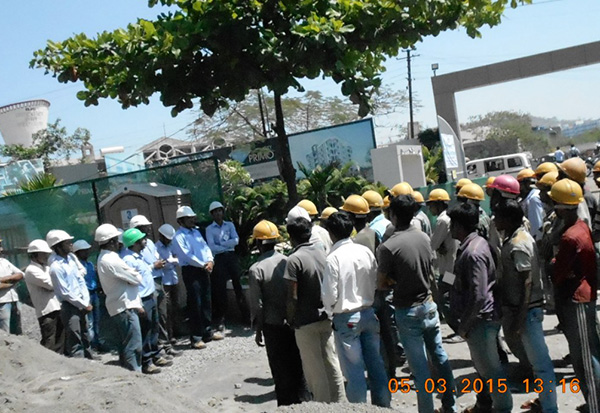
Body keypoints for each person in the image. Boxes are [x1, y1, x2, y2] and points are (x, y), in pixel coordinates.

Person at [378, 195, 457, 413]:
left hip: (407, 311)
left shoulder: (388, 247)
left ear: (393, 215)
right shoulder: (424, 237)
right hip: (429, 305)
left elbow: (381, 284)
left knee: (420, 369)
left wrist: (395, 280)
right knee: (439, 356)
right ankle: (450, 406)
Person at [447, 203, 513, 413]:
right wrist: (444, 282)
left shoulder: (473, 253)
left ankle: (503, 409)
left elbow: (479, 295)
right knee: (485, 369)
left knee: (491, 372)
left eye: (451, 224)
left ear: (458, 226)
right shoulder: (472, 246)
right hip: (479, 320)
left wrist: (465, 326)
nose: (449, 228)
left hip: (480, 321)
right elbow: (459, 278)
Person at [494, 200, 558, 413]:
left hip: (528, 311)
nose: (495, 221)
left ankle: (550, 408)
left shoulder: (518, 243)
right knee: (535, 362)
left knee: (540, 364)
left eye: (498, 217)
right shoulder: (515, 237)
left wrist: (520, 318)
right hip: (523, 310)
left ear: (508, 219)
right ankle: (545, 402)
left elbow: (527, 281)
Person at [322, 212, 390, 407]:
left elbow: (329, 295)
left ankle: (359, 409)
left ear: (331, 233)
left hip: (346, 318)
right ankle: (384, 407)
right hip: (369, 313)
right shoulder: (365, 251)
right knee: (376, 366)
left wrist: (331, 311)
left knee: (354, 372)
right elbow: (375, 280)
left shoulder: (333, 258)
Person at [549, 178, 600, 412]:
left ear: (561, 208)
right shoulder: (581, 227)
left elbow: (557, 272)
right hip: (583, 297)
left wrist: (553, 263)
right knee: (589, 354)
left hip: (576, 299)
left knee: (585, 360)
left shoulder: (570, 237)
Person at [248, 220, 309, 406]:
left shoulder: (256, 270)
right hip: (292, 322)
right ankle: (304, 404)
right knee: (297, 365)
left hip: (272, 326)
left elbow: (258, 305)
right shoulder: (287, 261)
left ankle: (286, 407)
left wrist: (258, 330)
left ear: (258, 243)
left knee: (280, 371)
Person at [284, 217, 346, 403]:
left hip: (305, 322)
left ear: (291, 237)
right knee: (331, 362)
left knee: (314, 369)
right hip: (325, 317)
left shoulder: (294, 260)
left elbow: (292, 296)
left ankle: (322, 406)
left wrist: (290, 318)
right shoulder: (323, 253)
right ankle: (341, 403)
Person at [171, 206, 224, 349]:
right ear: (181, 221)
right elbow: (186, 255)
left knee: (206, 300)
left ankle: (207, 332)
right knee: (196, 303)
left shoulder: (196, 232)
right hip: (191, 271)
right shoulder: (179, 237)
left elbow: (205, 248)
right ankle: (196, 337)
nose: (192, 220)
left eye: (192, 217)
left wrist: (210, 261)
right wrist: (203, 264)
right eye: (188, 218)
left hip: (204, 268)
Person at [122, 228, 173, 374]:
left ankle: (156, 355)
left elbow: (145, 272)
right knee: (146, 331)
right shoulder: (128, 260)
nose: (144, 241)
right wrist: (138, 304)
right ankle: (146, 362)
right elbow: (131, 283)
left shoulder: (139, 257)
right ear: (135, 243)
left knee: (154, 327)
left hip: (151, 296)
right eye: (141, 240)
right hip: (142, 299)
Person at [95, 223, 144, 372]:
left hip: (120, 306)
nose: (119, 243)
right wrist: (132, 276)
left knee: (125, 345)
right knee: (133, 346)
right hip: (125, 307)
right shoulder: (111, 259)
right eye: (116, 240)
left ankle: (128, 375)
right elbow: (137, 278)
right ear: (111, 241)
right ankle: (135, 376)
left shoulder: (104, 258)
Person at [129, 215, 180, 357]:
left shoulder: (150, 243)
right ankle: (155, 349)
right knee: (151, 319)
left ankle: (165, 345)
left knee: (162, 315)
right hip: (147, 285)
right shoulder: (132, 249)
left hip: (158, 280)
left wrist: (161, 262)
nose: (148, 229)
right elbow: (139, 268)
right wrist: (154, 265)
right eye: (144, 227)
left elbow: (156, 258)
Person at [47, 229, 93, 358]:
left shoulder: (71, 260)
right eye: (67, 243)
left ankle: (90, 359)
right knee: (74, 336)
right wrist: (83, 304)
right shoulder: (56, 267)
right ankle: (79, 362)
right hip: (70, 305)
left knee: (85, 334)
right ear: (58, 246)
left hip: (81, 303)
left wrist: (85, 301)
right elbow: (65, 292)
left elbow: (80, 280)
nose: (71, 245)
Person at [205, 201, 247, 331]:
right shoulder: (209, 229)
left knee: (237, 284)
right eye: (215, 212)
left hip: (231, 257)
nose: (218, 213)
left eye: (220, 211)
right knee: (220, 289)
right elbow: (212, 247)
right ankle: (222, 319)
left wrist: (222, 244)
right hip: (219, 259)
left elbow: (236, 240)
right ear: (212, 214)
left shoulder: (229, 225)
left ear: (223, 212)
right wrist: (227, 245)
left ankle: (245, 315)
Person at [23, 239, 64, 352]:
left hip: (56, 306)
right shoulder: (31, 270)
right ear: (34, 255)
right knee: (49, 340)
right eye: (43, 254)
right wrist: (58, 282)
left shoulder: (46, 268)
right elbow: (51, 284)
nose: (46, 256)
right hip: (46, 310)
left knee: (60, 339)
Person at [427, 188, 457, 321]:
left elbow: (432, 245)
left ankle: (458, 326)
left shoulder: (442, 220)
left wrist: (438, 247)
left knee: (445, 297)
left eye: (431, 205)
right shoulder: (449, 217)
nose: (430, 208)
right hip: (451, 266)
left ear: (438, 204)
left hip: (448, 269)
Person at [73, 240, 102, 351]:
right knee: (89, 321)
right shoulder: (77, 267)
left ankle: (97, 342)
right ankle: (91, 345)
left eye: (87, 250)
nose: (86, 252)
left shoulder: (89, 265)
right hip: (86, 295)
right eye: (83, 251)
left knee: (96, 319)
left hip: (94, 293)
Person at [156, 224, 180, 343]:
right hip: (164, 280)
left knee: (175, 306)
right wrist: (168, 262)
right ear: (161, 236)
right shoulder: (156, 248)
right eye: (167, 238)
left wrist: (172, 260)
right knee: (166, 309)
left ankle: (176, 330)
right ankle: (168, 334)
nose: (169, 241)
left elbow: (177, 257)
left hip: (173, 278)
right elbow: (160, 263)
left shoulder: (171, 245)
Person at [0, 238, 23, 335]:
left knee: (17, 330)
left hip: (14, 300)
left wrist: (3, 279)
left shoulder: (4, 262)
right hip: (2, 302)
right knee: (5, 331)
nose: (1, 249)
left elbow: (20, 275)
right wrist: (11, 283)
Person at [517, 168, 545, 241]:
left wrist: (536, 240)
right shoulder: (530, 196)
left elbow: (536, 225)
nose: (520, 187)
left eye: (521, 184)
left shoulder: (533, 199)